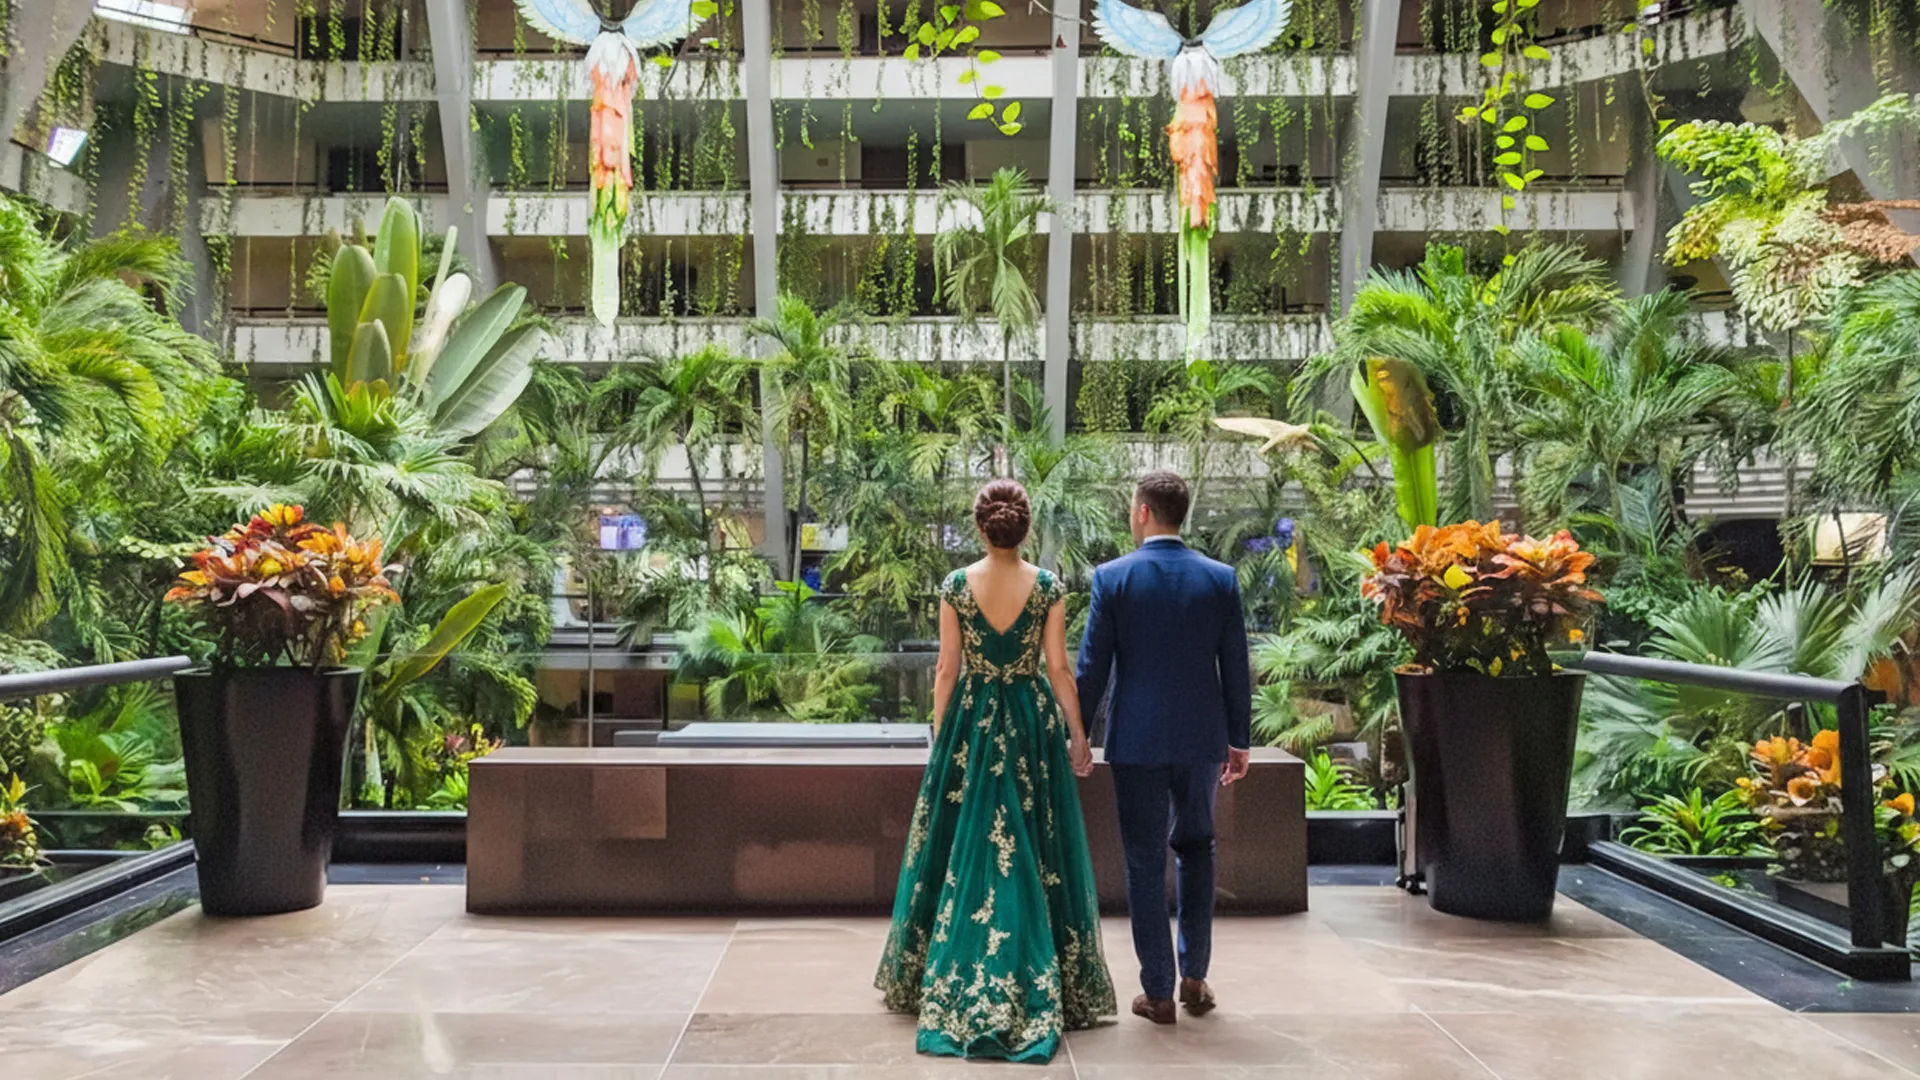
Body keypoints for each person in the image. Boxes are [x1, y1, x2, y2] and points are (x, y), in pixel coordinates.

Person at [875, 479, 1116, 1063]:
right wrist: (1079, 734)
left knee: (966, 841)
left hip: (974, 726)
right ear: (1023, 528)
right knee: (1033, 844)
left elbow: (946, 670)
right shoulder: (1049, 587)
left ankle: (936, 974)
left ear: (981, 527)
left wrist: (940, 740)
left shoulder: (958, 586)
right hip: (1030, 725)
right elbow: (1059, 670)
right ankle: (1049, 977)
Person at [1075, 469, 1252, 1025]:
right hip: (1203, 740)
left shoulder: (1113, 578)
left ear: (1143, 512)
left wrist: (1078, 734)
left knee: (1144, 859)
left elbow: (1091, 667)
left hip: (1137, 741)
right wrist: (1238, 741)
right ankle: (1194, 978)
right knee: (1198, 850)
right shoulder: (1220, 578)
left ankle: (1157, 990)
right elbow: (1237, 668)